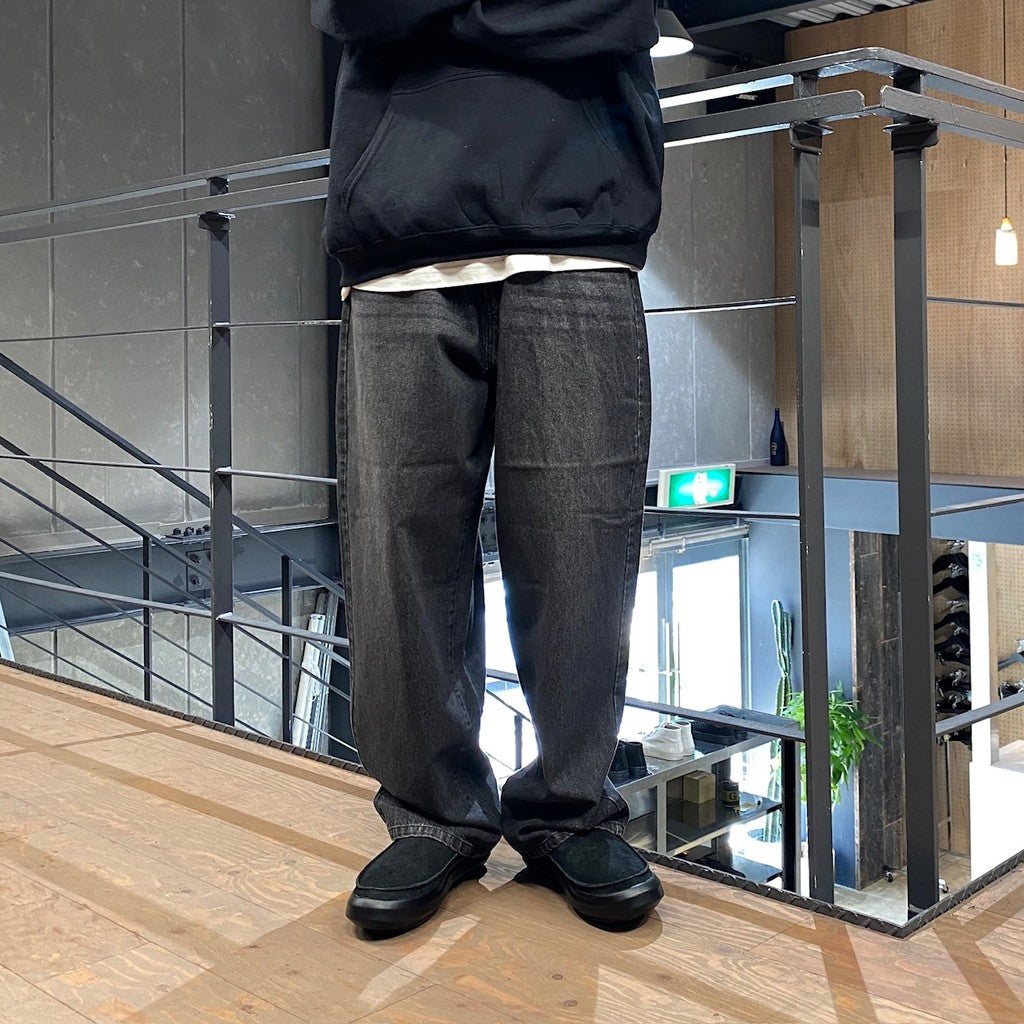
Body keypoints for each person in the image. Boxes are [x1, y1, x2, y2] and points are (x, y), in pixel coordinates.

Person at [311, 0, 666, 934]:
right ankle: (432, 816)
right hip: (400, 239)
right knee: (400, 552)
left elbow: (627, 10)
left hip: (580, 227)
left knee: (582, 545)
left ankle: (568, 808)